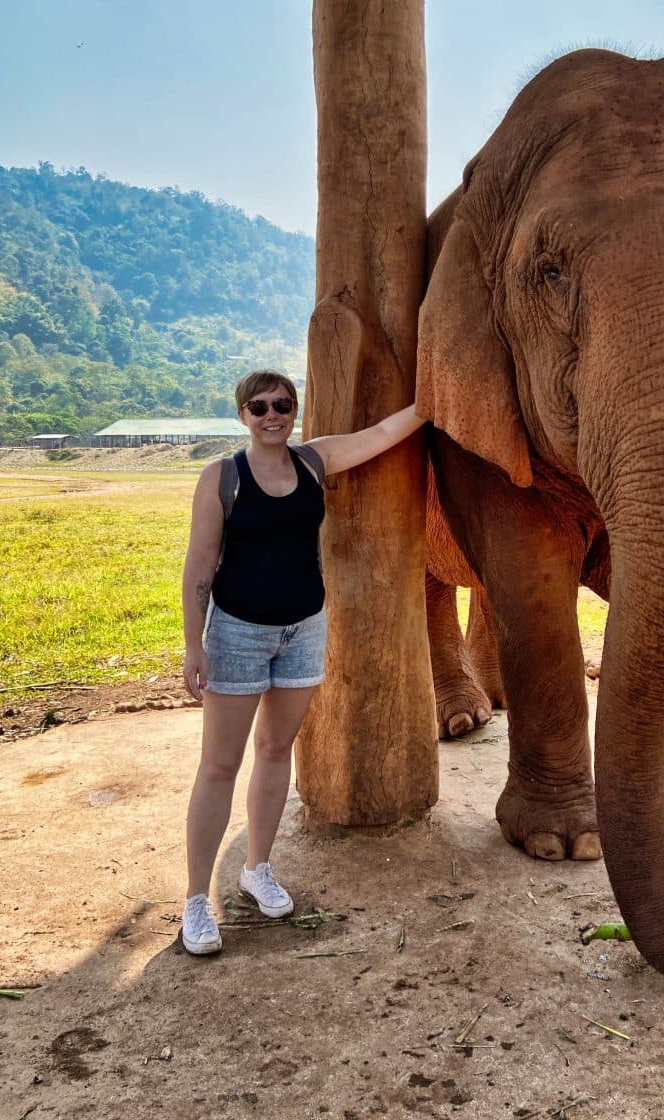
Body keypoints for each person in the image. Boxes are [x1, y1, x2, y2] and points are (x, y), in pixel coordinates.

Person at [180, 369, 426, 956]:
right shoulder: (222, 478)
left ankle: (256, 868)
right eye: (260, 406)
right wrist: (194, 645)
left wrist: (431, 401)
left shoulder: (314, 462)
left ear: (295, 410)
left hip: (303, 630)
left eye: (283, 405)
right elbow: (199, 568)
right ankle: (194, 899)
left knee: (274, 750)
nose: (273, 415)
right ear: (242, 414)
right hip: (237, 634)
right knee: (219, 764)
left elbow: (382, 432)